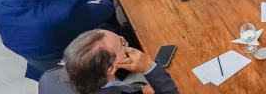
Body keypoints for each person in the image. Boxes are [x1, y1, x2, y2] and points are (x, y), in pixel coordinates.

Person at [38, 30, 179, 94]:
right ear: (110, 70)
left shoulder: (48, 78)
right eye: (122, 45)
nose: (126, 45)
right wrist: (149, 67)